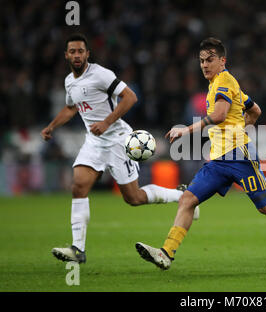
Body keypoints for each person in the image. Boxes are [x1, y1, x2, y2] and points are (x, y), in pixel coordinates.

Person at [134, 37, 266, 270]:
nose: (204, 65)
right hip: (219, 160)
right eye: (201, 61)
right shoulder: (222, 83)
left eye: (210, 60)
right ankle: (166, 253)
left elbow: (219, 115)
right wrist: (239, 126)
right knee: (188, 199)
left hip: (239, 156)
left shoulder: (223, 82)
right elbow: (255, 110)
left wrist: (186, 130)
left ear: (222, 60)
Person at [40, 33, 199, 264]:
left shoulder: (101, 74)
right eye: (72, 51)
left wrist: (106, 122)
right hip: (94, 142)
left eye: (80, 51)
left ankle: (183, 196)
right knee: (78, 187)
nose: (76, 55)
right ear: (66, 55)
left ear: (87, 54)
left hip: (117, 140)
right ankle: (77, 249)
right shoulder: (69, 82)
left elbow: (130, 97)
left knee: (133, 198)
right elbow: (71, 108)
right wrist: (51, 126)